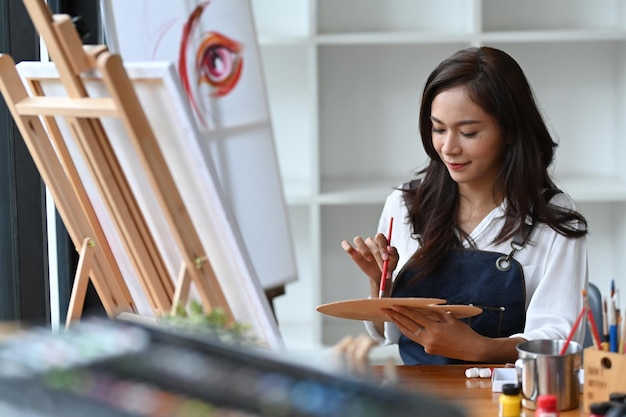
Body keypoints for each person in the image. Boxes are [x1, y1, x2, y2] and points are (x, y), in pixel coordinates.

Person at [341, 46, 589, 365]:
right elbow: (384, 333)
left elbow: (557, 340)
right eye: (438, 129)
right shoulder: (404, 206)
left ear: (510, 131)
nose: (448, 148)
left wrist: (480, 348)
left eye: (469, 132)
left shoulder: (552, 220)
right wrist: (381, 286)